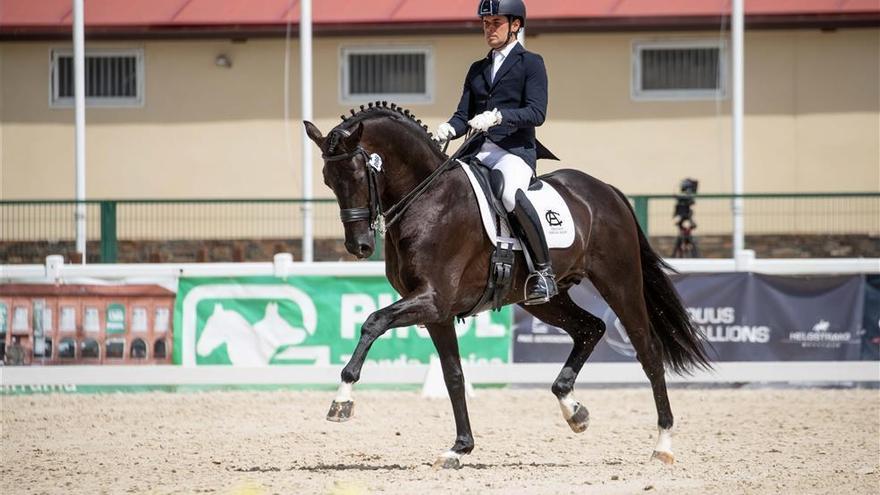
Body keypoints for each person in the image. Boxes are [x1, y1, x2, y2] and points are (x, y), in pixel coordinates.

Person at [436, 0, 559, 305]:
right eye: (485, 23)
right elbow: (463, 114)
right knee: (444, 191)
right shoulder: (477, 69)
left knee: (507, 195)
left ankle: (543, 272)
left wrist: (500, 116)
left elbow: (536, 112)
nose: (488, 29)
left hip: (514, 151)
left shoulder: (531, 63)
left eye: (495, 23)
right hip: (477, 149)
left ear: (515, 25)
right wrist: (449, 128)